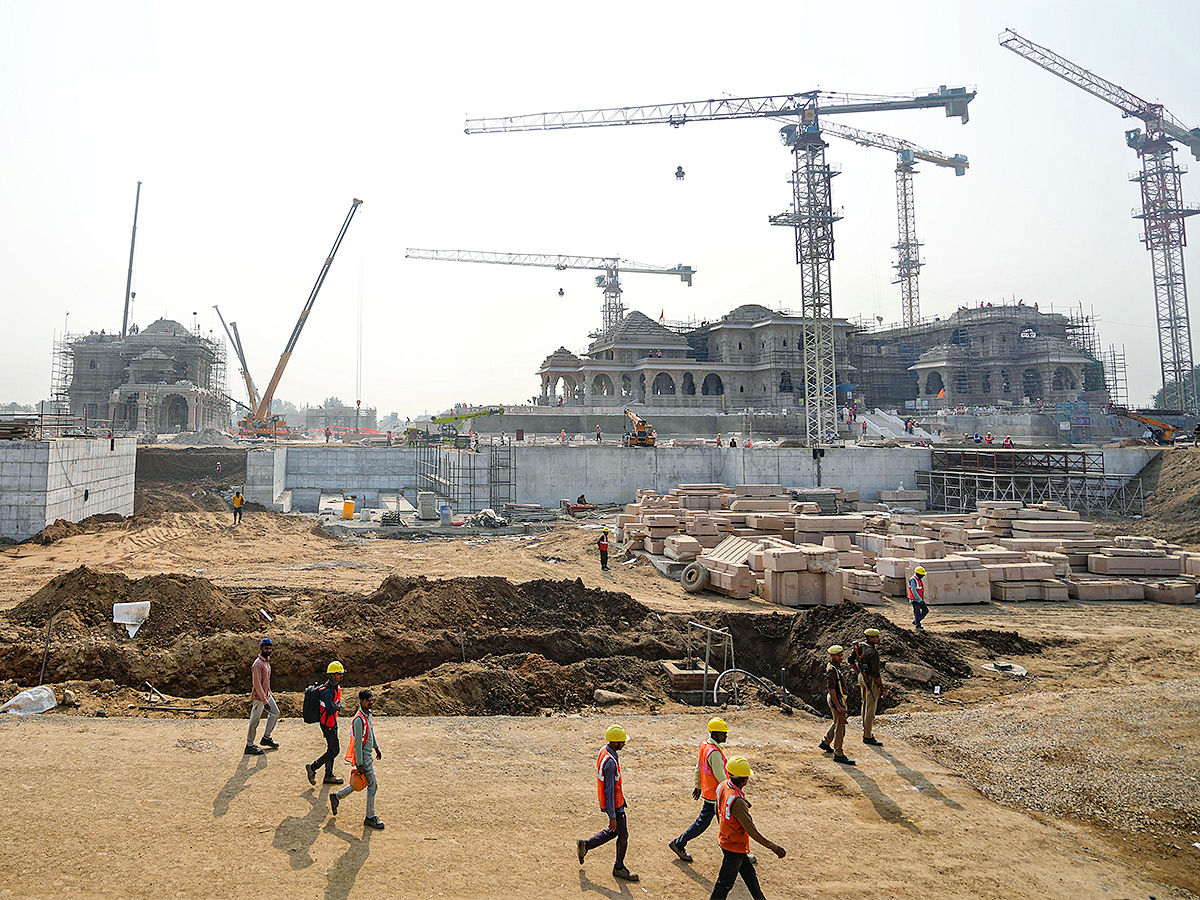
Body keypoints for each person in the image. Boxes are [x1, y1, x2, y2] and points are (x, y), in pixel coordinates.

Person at [708, 756, 785, 900]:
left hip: (727, 840)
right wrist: (773, 847)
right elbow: (752, 831)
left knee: (750, 876)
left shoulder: (723, 785)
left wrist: (724, 829)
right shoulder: (738, 802)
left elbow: (716, 808)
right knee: (723, 885)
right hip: (734, 846)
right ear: (744, 780)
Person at [577, 724, 638, 882]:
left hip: (616, 803)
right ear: (615, 742)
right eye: (622, 742)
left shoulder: (604, 751)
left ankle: (586, 845)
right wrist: (612, 816)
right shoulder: (610, 762)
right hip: (615, 805)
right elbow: (609, 791)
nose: (624, 744)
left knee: (615, 831)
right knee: (622, 834)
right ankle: (619, 868)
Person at [669, 717, 729, 862]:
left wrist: (698, 785)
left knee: (724, 825)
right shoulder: (714, 753)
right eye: (723, 733)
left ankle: (738, 855)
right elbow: (721, 777)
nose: (726, 736)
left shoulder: (705, 745)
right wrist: (732, 793)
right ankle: (679, 843)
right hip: (716, 796)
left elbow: (699, 766)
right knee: (710, 824)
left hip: (710, 793)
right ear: (715, 734)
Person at [330, 689, 384, 829]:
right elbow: (357, 744)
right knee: (373, 786)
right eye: (368, 701)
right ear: (361, 701)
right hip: (364, 759)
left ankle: (337, 797)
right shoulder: (359, 720)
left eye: (372, 700)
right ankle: (370, 817)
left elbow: (371, 732)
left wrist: (376, 747)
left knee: (361, 782)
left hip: (367, 757)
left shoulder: (367, 715)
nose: (371, 703)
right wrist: (359, 764)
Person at [306, 661, 346, 786]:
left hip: (332, 722)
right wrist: (337, 707)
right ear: (332, 675)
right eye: (339, 674)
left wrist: (336, 706)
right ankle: (313, 767)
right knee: (335, 750)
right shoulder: (327, 691)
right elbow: (330, 709)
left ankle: (329, 775)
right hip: (328, 724)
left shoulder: (334, 688)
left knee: (331, 749)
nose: (341, 676)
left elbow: (334, 706)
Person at [818, 645, 855, 765]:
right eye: (839, 656)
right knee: (841, 727)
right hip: (837, 700)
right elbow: (831, 689)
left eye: (841, 655)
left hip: (838, 700)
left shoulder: (835, 667)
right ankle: (838, 753)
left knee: (838, 722)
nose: (841, 657)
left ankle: (826, 742)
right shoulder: (832, 670)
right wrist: (839, 706)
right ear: (832, 656)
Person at [851, 629, 885, 747]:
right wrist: (882, 688)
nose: (878, 639)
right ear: (870, 638)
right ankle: (867, 735)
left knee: (865, 704)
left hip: (861, 677)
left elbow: (850, 661)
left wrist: (859, 672)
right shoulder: (873, 653)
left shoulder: (859, 646)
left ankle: (866, 730)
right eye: (876, 637)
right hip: (870, 679)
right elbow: (876, 674)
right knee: (871, 708)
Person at [244, 638, 279, 755]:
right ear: (261, 649)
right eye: (266, 648)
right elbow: (257, 683)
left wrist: (269, 693)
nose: (268, 650)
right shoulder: (257, 664)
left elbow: (266, 681)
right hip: (259, 697)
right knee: (255, 721)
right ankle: (249, 745)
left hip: (266, 695)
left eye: (269, 648)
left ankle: (266, 737)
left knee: (275, 713)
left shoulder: (266, 662)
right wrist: (264, 700)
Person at [909, 566, 929, 632]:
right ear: (918, 574)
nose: (922, 576)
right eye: (922, 575)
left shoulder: (919, 580)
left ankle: (916, 621)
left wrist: (921, 599)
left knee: (925, 610)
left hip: (920, 599)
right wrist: (919, 600)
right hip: (914, 599)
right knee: (917, 611)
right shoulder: (913, 580)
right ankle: (918, 626)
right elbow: (913, 590)